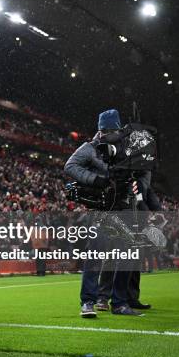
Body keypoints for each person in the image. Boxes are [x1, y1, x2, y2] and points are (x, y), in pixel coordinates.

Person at [64, 109, 150, 318]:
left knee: (126, 257)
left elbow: (145, 171)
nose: (106, 134)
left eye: (111, 130)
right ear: (99, 130)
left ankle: (119, 303)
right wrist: (96, 180)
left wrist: (138, 186)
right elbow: (70, 166)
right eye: (103, 130)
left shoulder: (129, 149)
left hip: (125, 207)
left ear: (119, 129)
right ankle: (88, 302)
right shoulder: (91, 147)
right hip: (102, 208)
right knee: (95, 256)